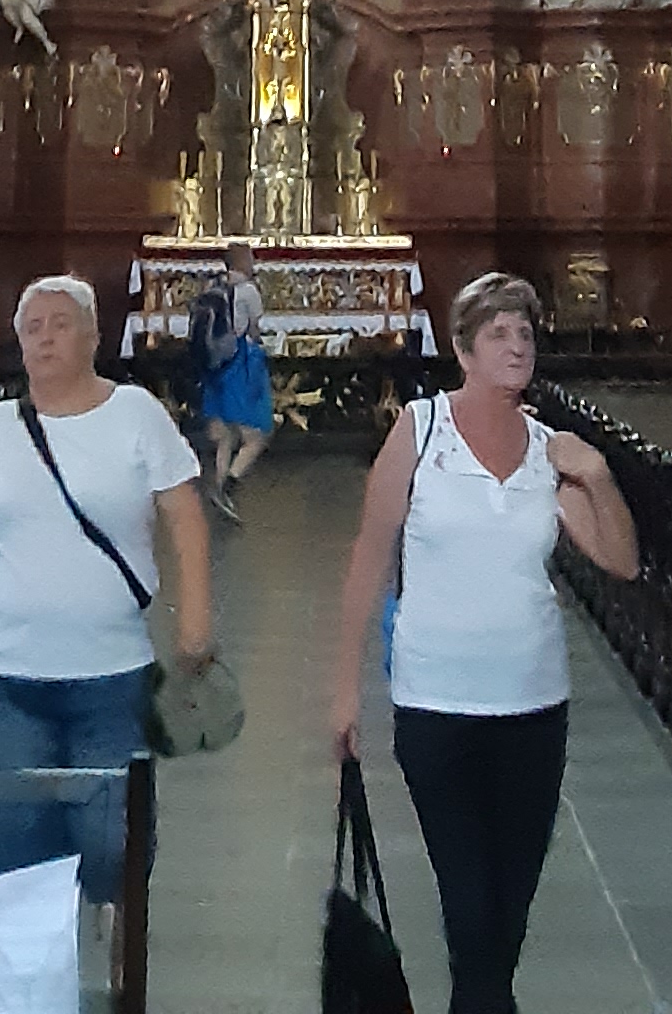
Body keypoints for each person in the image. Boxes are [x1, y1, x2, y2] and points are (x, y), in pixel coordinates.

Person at [328, 269, 642, 1014]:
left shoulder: (549, 451)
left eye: (524, 333)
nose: (516, 346)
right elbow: (370, 555)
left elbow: (622, 561)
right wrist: (344, 688)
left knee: (507, 915)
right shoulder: (421, 431)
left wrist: (598, 476)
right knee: (470, 911)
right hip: (437, 703)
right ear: (464, 351)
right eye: (498, 333)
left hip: (533, 705)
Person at [0, 273, 216, 915]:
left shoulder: (135, 415)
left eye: (60, 324)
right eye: (32, 328)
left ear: (93, 337)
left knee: (110, 841)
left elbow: (183, 514)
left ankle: (105, 933)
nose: (44, 339)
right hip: (2, 675)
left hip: (108, 676)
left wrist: (196, 617)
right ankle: (30, 954)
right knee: (9, 845)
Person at [191, 258, 272, 516]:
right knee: (255, 437)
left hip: (213, 372)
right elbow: (254, 329)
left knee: (225, 437)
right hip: (240, 367)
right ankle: (230, 486)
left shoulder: (211, 289)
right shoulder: (247, 291)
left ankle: (218, 488)